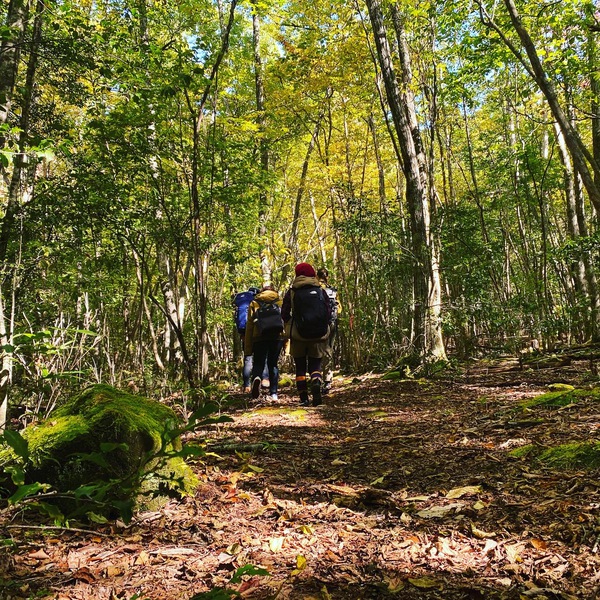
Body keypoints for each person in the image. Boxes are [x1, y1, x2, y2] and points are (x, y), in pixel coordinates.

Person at [281, 262, 331, 407]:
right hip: (318, 334)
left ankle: (303, 398)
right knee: (316, 364)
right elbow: (327, 311)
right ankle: (316, 381)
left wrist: (291, 323)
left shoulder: (292, 291)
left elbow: (284, 312)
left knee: (300, 367)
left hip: (298, 335)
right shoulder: (320, 290)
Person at [244, 285, 284, 401]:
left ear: (262, 292)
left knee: (258, 363)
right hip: (277, 337)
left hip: (259, 337)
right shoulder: (280, 301)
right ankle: (274, 393)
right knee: (273, 364)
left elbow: (249, 326)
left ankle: (257, 378)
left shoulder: (254, 302)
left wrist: (248, 348)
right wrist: (287, 343)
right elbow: (285, 321)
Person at [233, 286, 268, 392]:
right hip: (257, 333)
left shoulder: (241, 300)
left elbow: (236, 318)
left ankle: (247, 385)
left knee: (248, 357)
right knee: (263, 357)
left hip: (244, 332)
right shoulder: (258, 300)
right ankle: (265, 379)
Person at [317, 267, 341, 395]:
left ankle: (316, 377)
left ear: (317, 276)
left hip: (317, 324)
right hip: (331, 323)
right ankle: (327, 380)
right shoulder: (333, 291)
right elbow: (339, 308)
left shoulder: (315, 289)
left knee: (316, 350)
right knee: (328, 350)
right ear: (327, 277)